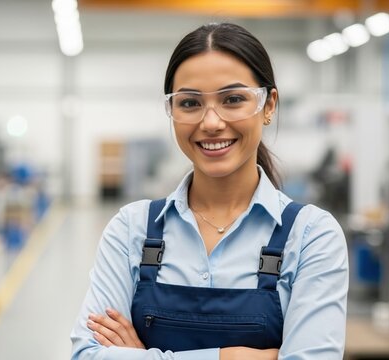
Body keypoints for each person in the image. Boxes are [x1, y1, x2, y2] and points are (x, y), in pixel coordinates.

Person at [70, 22, 348, 360]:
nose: (211, 122)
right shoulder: (132, 229)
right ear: (171, 111)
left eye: (233, 99)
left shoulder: (311, 237)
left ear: (270, 105)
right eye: (189, 103)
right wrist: (232, 357)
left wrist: (146, 355)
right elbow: (87, 355)